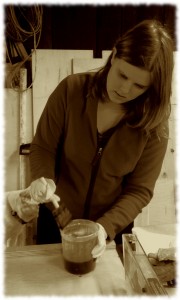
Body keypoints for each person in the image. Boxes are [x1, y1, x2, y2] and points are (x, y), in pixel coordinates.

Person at [29, 20, 174, 254]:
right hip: (56, 218)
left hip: (109, 229)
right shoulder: (70, 91)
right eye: (122, 75)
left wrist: (105, 227)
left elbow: (139, 190)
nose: (125, 90)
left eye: (139, 85)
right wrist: (41, 178)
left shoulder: (154, 125)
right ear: (114, 55)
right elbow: (43, 147)